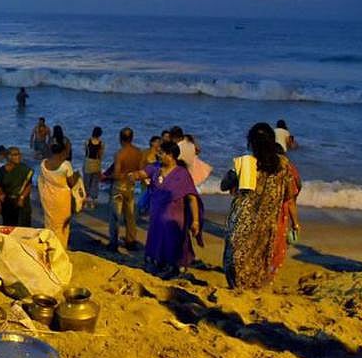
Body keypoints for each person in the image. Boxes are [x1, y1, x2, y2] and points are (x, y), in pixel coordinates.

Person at [221, 123, 300, 290]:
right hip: (267, 221)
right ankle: (252, 287)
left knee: (235, 256)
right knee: (260, 255)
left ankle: (237, 287)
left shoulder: (246, 163)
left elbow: (224, 184)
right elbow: (290, 194)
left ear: (251, 143)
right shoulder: (283, 164)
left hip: (243, 220)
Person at [129, 141, 203, 277]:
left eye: (161, 153)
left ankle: (174, 268)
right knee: (156, 241)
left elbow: (192, 198)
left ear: (170, 155)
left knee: (172, 243)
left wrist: (196, 221)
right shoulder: (155, 168)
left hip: (174, 218)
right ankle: (159, 265)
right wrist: (134, 176)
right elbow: (142, 173)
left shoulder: (182, 174)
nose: (158, 155)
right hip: (156, 216)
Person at [107, 127, 143, 251]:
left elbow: (117, 174)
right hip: (131, 186)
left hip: (119, 187)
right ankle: (131, 240)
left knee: (115, 215)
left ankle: (113, 242)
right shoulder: (138, 152)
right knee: (130, 215)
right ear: (132, 138)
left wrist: (106, 177)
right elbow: (140, 170)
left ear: (120, 138)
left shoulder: (119, 154)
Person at [39, 142, 79, 248]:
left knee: (49, 222)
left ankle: (49, 245)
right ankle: (61, 246)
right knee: (62, 224)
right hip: (62, 197)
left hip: (48, 195)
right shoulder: (66, 165)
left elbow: (43, 179)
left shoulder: (43, 163)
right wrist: (77, 175)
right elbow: (71, 183)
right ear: (62, 152)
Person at [0, 147, 33, 227]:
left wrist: (22, 197)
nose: (19, 156)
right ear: (9, 156)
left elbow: (29, 185)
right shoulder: (2, 171)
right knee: (8, 227)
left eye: (19, 154)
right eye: (15, 155)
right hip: (7, 203)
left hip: (22, 203)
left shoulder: (25, 169)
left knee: (23, 228)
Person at [82, 127, 104, 209]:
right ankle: (93, 203)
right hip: (96, 164)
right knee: (95, 183)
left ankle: (85, 202)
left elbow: (86, 152)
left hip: (88, 163)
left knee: (86, 183)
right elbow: (101, 155)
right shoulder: (101, 143)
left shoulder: (87, 141)